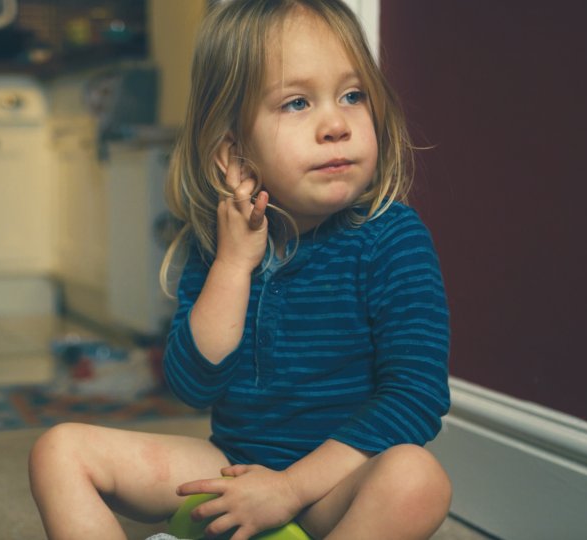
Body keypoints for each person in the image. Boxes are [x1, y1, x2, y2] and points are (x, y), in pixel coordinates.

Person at [28, 1, 452, 538]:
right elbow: (190, 386)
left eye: (352, 95)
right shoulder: (216, 244)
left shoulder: (393, 238)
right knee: (58, 450)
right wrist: (233, 263)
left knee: (418, 477)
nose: (336, 124)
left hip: (331, 487)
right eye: (297, 102)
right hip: (229, 463)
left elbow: (416, 396)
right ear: (234, 151)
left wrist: (289, 489)